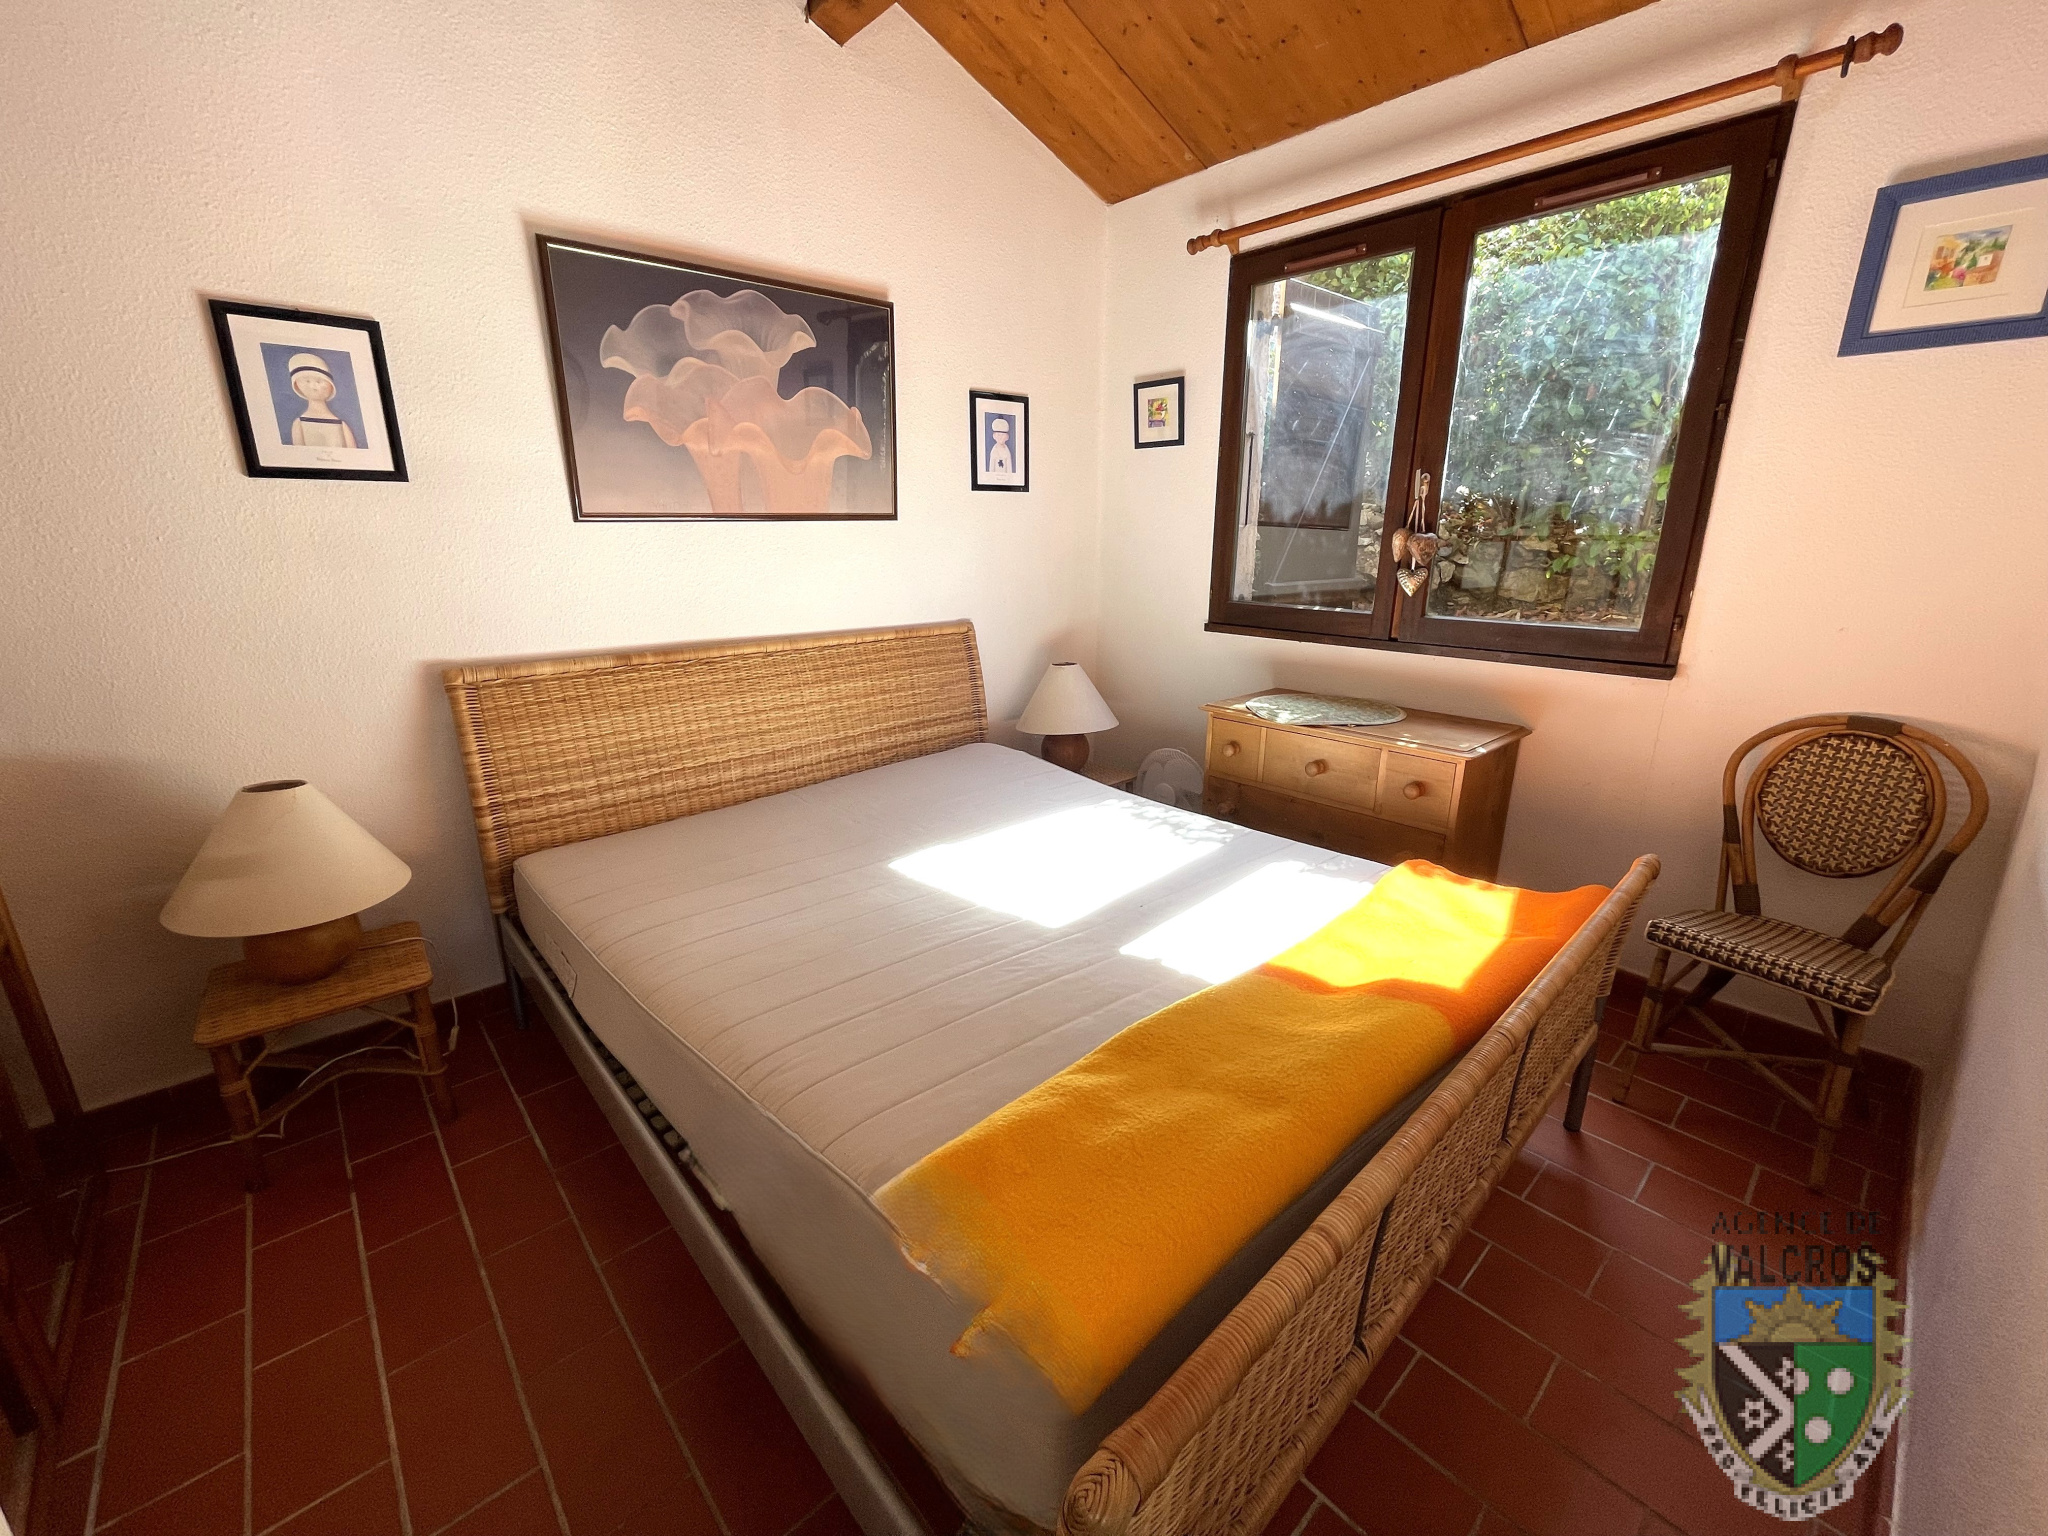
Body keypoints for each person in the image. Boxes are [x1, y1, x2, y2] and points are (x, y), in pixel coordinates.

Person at [284, 353, 359, 449]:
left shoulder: (342, 425)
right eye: (307, 381)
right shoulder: (299, 424)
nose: (313, 387)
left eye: (319, 381)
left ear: (331, 386)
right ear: (297, 386)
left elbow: (354, 453)